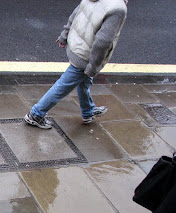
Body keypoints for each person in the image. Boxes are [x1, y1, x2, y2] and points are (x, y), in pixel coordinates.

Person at [24, 0, 128, 129]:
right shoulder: (117, 9)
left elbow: (76, 14)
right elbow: (103, 42)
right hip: (86, 55)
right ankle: (35, 114)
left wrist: (65, 35)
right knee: (63, 86)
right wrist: (93, 66)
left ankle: (88, 111)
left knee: (84, 81)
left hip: (77, 45)